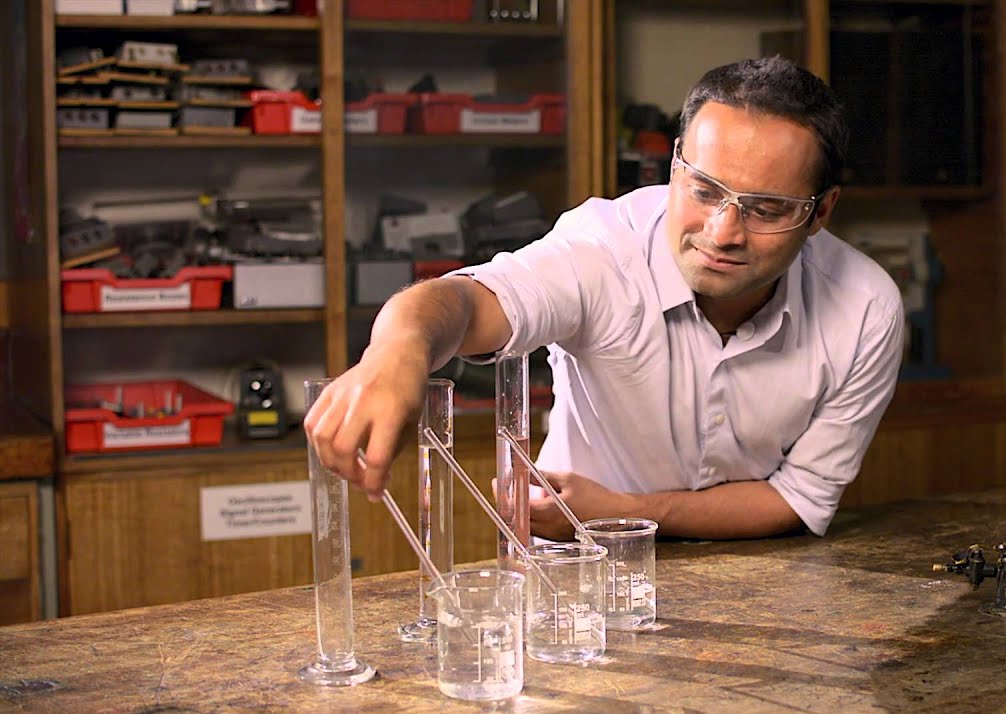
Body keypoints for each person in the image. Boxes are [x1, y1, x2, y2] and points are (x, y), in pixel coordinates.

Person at [304, 56, 904, 541]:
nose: (722, 232)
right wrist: (398, 353)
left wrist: (625, 511)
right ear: (674, 167)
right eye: (703, 191)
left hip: (761, 573)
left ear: (821, 211)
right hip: (581, 574)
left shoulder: (865, 308)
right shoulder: (603, 249)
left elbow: (797, 500)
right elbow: (465, 301)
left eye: (766, 208)